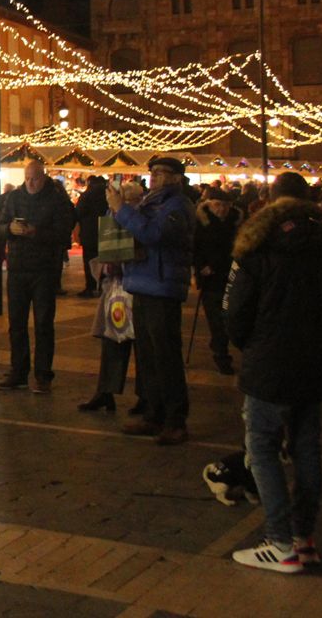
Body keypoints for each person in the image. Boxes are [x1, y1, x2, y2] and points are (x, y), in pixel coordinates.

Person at [225, 171, 322, 573]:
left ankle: (279, 541)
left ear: (270, 200)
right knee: (307, 448)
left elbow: (236, 311)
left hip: (270, 362)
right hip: (315, 362)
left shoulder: (259, 244)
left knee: (264, 448)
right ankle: (303, 537)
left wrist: (248, 345)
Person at [109, 155, 196, 445]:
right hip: (141, 282)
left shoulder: (177, 205)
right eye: (153, 172)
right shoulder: (149, 202)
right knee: (146, 354)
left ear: (175, 178)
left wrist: (122, 210)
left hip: (163, 284)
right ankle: (152, 413)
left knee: (165, 354)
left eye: (162, 173)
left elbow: (153, 233)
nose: (155, 177)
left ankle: (175, 419)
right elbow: (132, 229)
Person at [0, 160, 74, 394]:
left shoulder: (56, 200)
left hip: (44, 269)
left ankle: (42, 375)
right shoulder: (15, 197)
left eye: (35, 178)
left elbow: (63, 233)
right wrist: (10, 229)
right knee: (16, 324)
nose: (30, 182)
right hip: (18, 266)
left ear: (43, 177)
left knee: (43, 324)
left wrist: (36, 232)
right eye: (27, 178)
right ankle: (18, 371)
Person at [79, 182, 144, 412]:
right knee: (112, 339)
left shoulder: (140, 219)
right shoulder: (112, 217)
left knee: (141, 344)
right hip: (115, 287)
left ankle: (145, 397)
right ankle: (105, 391)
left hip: (137, 288)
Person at [193, 186, 241, 375]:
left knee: (229, 317)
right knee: (216, 320)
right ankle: (221, 355)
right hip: (210, 279)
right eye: (218, 205)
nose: (222, 209)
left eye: (226, 205)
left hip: (231, 277)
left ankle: (221, 347)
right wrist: (200, 267)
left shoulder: (236, 223)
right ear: (209, 205)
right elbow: (194, 248)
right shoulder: (201, 223)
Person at [75, 176, 109, 297]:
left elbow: (78, 213)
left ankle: (91, 287)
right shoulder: (109, 194)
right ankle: (104, 286)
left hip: (89, 233)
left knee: (89, 261)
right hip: (106, 232)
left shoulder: (87, 195)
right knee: (106, 261)